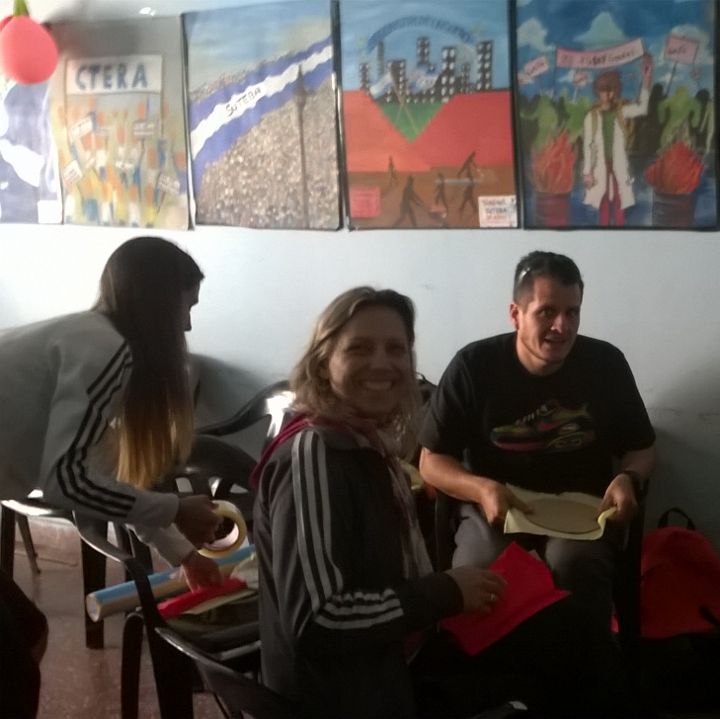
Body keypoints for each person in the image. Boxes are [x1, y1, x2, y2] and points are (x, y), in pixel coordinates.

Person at [254, 287, 629, 718]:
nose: (382, 363)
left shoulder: (361, 441)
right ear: (323, 362)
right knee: (570, 662)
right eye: (359, 348)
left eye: (396, 349)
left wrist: (447, 595)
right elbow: (318, 620)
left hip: (396, 652)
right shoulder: (314, 455)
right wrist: (445, 591)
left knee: (573, 629)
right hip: (357, 693)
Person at [0, 236, 222, 716]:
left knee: (29, 634)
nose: (187, 325)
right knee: (12, 674)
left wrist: (182, 554)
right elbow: (67, 481)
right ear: (158, 303)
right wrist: (177, 509)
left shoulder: (90, 338)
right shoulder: (104, 349)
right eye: (186, 308)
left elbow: (100, 476)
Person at [419, 251, 657, 632]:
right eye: (547, 312)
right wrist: (482, 489)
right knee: (480, 570)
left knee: (575, 565)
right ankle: (484, 665)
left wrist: (629, 477)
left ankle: (585, 659)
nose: (562, 326)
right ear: (516, 314)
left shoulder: (606, 364)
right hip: (496, 508)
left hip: (581, 510)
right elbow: (431, 461)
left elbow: (642, 447)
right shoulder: (473, 366)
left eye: (572, 313)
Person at [582, 57, 652, 225]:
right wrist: (587, 173)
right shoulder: (591, 116)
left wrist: (646, 79)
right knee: (603, 202)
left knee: (620, 201)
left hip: (618, 165)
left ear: (616, 91)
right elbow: (588, 146)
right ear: (597, 91)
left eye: (611, 90)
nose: (607, 95)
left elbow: (642, 108)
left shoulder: (621, 112)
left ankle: (620, 232)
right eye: (603, 90)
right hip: (600, 167)